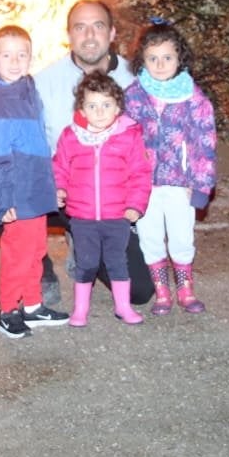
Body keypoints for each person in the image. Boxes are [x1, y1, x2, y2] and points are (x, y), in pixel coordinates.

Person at [34, 0, 154, 307]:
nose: (89, 35)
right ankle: (40, 265)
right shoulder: (44, 83)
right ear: (69, 35)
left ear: (112, 33)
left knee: (140, 291)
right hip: (64, 192)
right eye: (80, 27)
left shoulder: (138, 80)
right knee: (2, 191)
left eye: (98, 26)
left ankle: (85, 246)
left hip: (115, 202)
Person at [0, 25, 70, 338]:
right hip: (14, 192)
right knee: (17, 254)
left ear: (30, 57)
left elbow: (38, 142)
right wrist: (0, 202)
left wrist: (50, 185)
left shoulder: (26, 89)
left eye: (21, 54)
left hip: (34, 186)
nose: (14, 60)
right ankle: (8, 309)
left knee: (36, 250)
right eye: (6, 54)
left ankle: (33, 306)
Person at [122, 22, 216, 316]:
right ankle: (162, 291)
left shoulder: (193, 97)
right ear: (142, 60)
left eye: (167, 58)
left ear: (180, 59)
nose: (160, 65)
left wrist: (202, 186)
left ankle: (185, 289)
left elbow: (204, 142)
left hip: (180, 183)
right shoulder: (133, 95)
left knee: (181, 237)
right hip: (144, 185)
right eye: (152, 58)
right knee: (150, 237)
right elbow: (123, 139)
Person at [51, 72, 152, 327]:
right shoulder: (70, 137)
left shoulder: (128, 136)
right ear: (82, 110)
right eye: (92, 105)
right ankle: (80, 309)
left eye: (106, 105)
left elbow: (140, 173)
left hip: (117, 216)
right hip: (83, 218)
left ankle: (123, 307)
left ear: (117, 107)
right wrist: (59, 189)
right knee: (86, 264)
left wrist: (135, 205)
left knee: (118, 262)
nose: (99, 111)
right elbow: (59, 167)